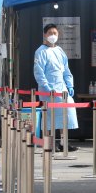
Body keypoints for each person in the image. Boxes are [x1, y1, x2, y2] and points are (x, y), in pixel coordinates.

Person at [34, 23, 78, 152]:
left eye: (55, 33)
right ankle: (49, 143)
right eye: (50, 33)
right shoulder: (40, 51)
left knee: (66, 113)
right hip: (48, 90)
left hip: (62, 88)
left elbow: (66, 70)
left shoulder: (60, 51)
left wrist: (70, 84)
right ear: (44, 35)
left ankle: (64, 142)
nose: (53, 36)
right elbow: (38, 72)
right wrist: (46, 87)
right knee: (49, 117)